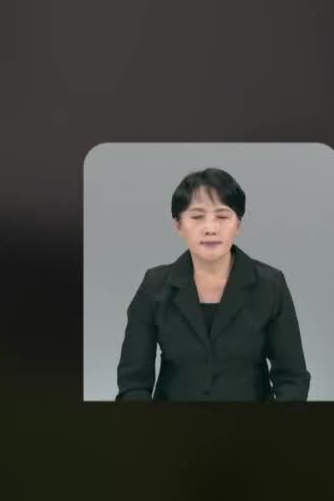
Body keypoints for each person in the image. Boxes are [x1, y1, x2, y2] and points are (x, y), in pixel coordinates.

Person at [115, 168, 311, 401]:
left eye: (222, 216)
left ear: (238, 224)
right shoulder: (154, 286)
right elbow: (133, 383)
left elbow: (292, 379)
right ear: (178, 225)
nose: (210, 228)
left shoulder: (270, 285)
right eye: (197, 216)